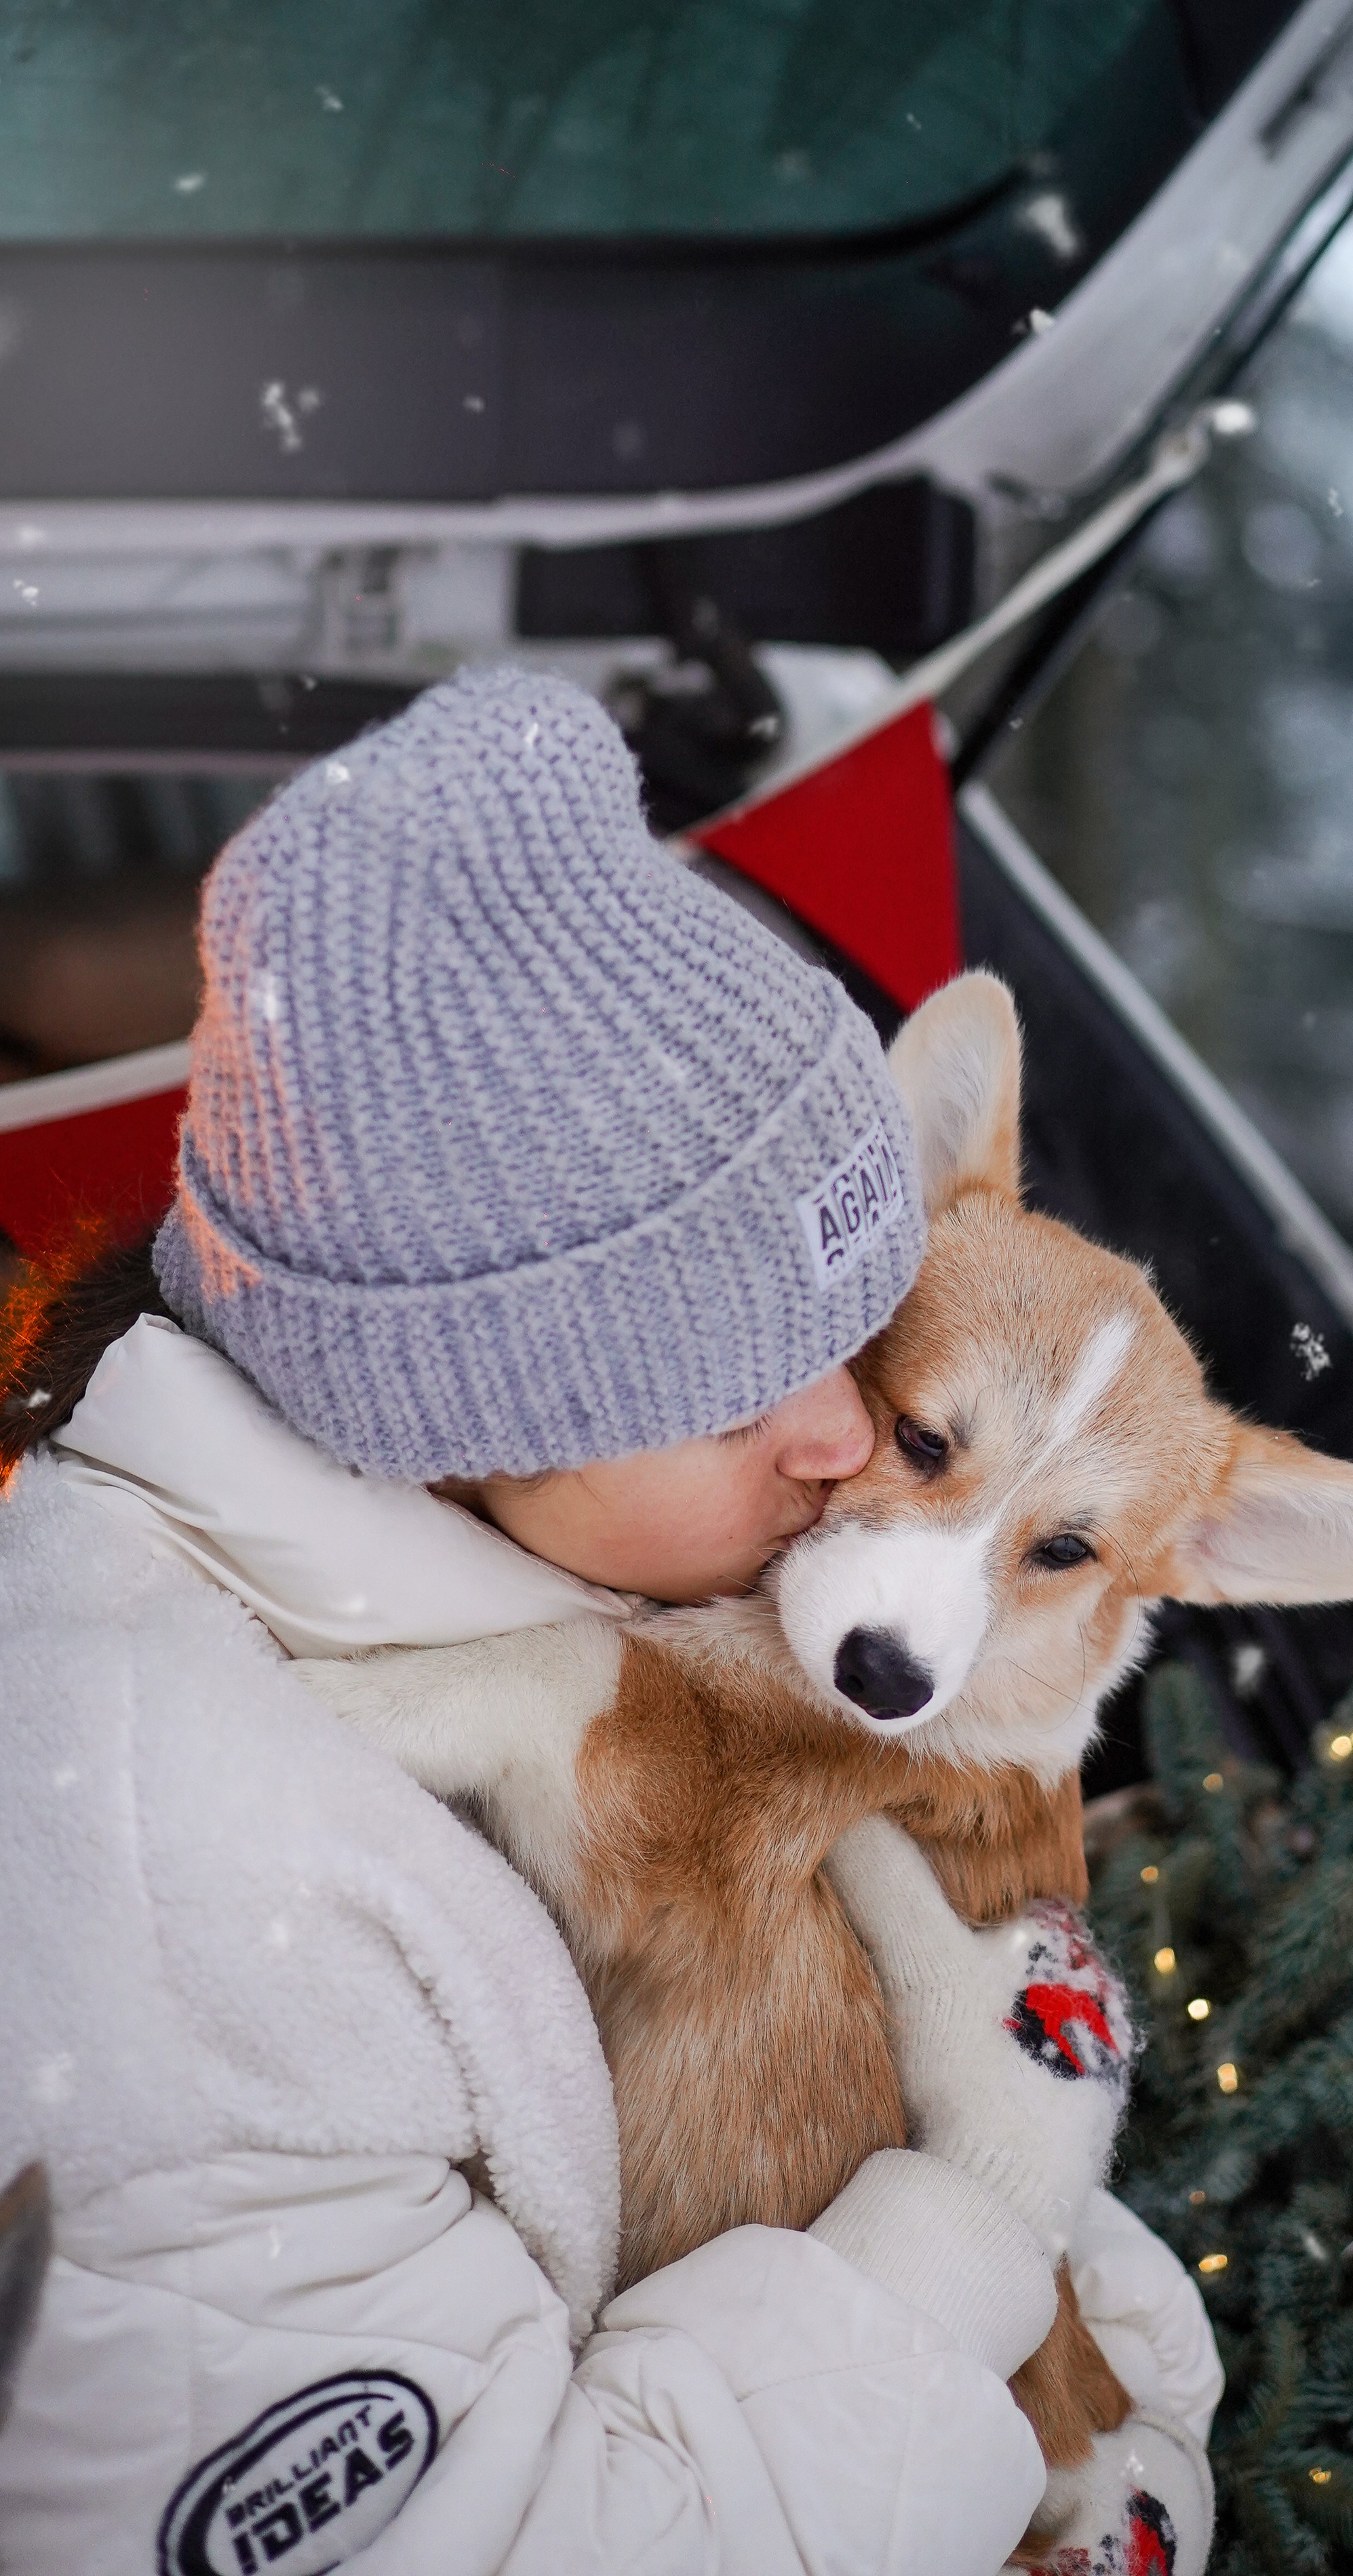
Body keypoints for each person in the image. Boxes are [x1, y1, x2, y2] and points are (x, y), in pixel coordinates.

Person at [0, 667, 1219, 2576]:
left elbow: (781, 2047)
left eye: (853, 1338)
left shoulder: (616, 1586)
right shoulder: (152, 1880)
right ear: (470, 1412)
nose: (845, 1445)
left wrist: (1105, 2390)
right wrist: (972, 2229)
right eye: (739, 1392)